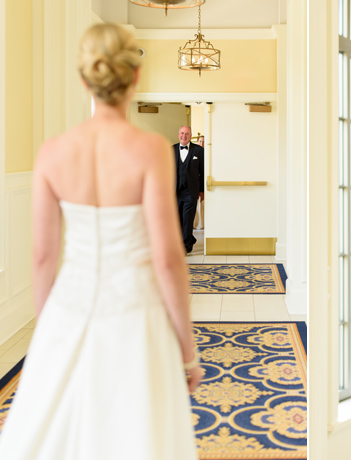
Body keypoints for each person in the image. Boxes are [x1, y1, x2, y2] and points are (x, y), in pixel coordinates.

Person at [0, 23, 201, 459]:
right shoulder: (148, 150)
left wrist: (50, 329)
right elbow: (168, 260)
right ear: (135, 77)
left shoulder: (52, 152)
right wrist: (187, 351)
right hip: (135, 308)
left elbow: (41, 257)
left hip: (69, 309)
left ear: (84, 77)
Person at [174, 125, 204, 253]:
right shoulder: (172, 149)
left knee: (188, 218)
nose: (184, 136)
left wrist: (202, 190)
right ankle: (188, 239)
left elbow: (202, 171)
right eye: (182, 133)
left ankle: (185, 246)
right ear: (178, 134)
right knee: (178, 218)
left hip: (191, 191)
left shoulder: (198, 150)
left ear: (191, 136)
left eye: (187, 134)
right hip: (175, 191)